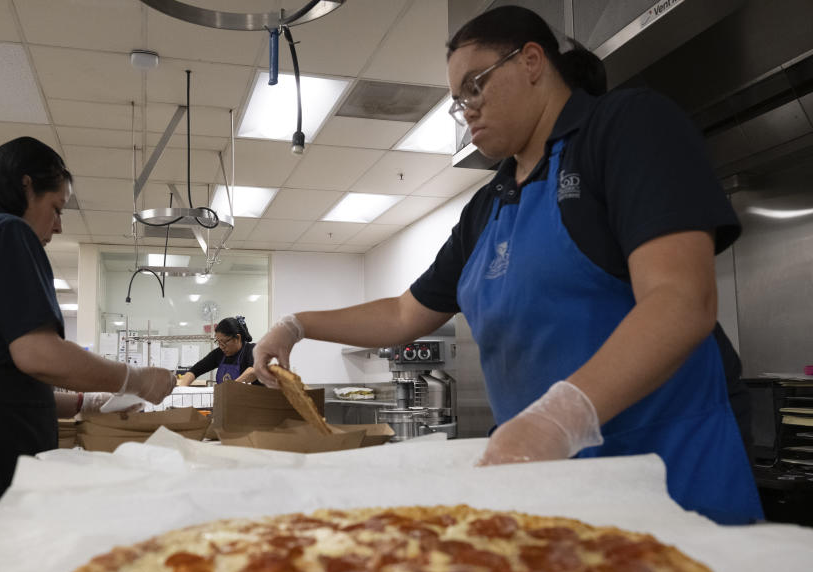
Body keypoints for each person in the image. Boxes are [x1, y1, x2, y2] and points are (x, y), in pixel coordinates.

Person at [254, 6, 763, 525]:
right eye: (458, 102)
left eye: (475, 87)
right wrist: (296, 325)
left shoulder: (623, 128)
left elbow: (681, 299)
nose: (467, 109)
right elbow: (405, 313)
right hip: (548, 491)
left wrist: (556, 419)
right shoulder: (488, 204)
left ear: (532, 62)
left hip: (667, 480)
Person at [0, 137, 175, 551]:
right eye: (57, 208)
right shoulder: (5, 231)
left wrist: (86, 403)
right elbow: (37, 354)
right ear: (26, 186)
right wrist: (135, 380)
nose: (59, 225)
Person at [177, 317, 259, 386]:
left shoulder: (252, 350)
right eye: (218, 342)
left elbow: (253, 371)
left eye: (224, 342)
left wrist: (229, 389)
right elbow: (195, 370)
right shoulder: (219, 353)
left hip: (252, 402)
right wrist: (181, 389)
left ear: (237, 338)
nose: (221, 346)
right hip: (226, 400)